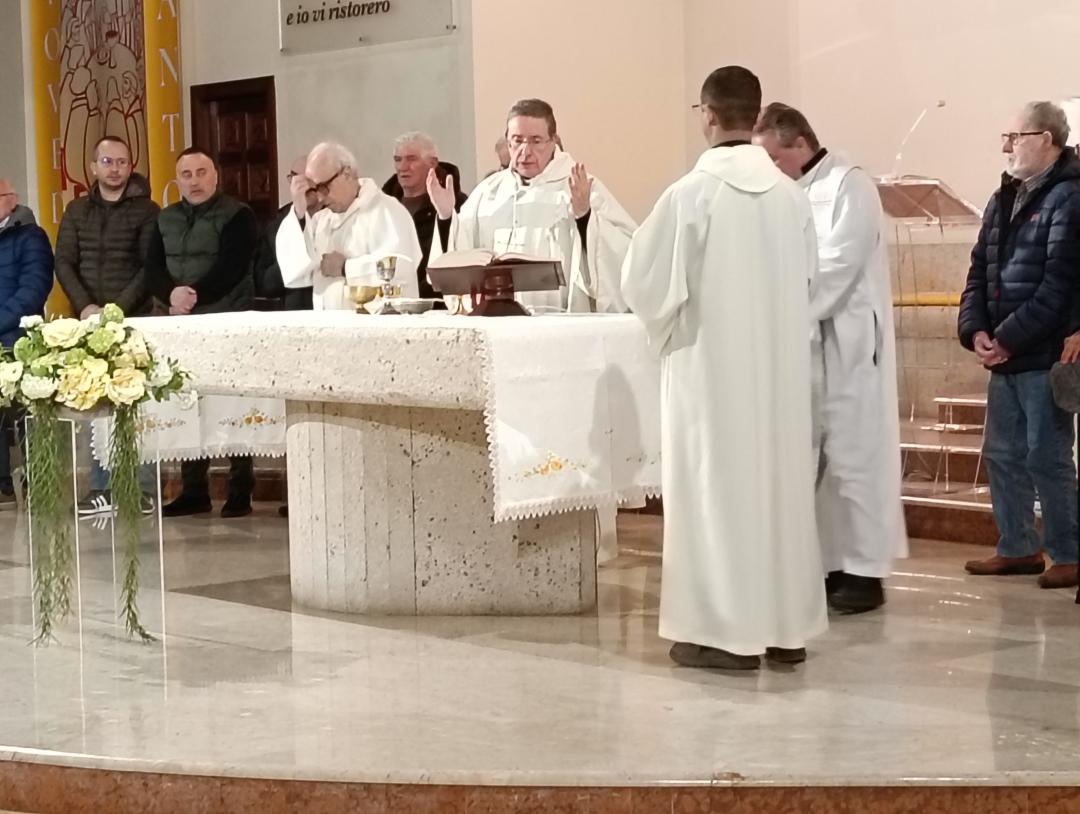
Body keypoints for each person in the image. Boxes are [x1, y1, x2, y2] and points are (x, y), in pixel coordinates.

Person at [620, 66, 826, 670]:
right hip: (779, 377)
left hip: (710, 376)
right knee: (778, 492)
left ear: (707, 115)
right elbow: (810, 281)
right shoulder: (791, 196)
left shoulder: (692, 194)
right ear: (756, 117)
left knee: (716, 494)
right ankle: (785, 630)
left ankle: (723, 636)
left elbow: (644, 283)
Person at [753, 103, 907, 613]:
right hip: (809, 344)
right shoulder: (788, 191)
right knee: (817, 460)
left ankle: (865, 571)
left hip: (850, 345)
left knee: (855, 457)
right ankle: (828, 563)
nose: (770, 168)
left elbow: (842, 261)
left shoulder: (849, 184)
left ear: (799, 143)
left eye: (773, 157)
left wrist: (786, 306)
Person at [958, 101, 1080, 589]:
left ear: (1045, 139)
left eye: (1015, 137)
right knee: (1002, 454)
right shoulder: (1002, 197)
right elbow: (978, 270)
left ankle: (1069, 553)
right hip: (1004, 353)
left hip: (1044, 353)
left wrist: (1006, 338)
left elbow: (1058, 285)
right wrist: (975, 330)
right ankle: (1018, 547)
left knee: (1046, 455)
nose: (1007, 147)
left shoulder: (1069, 197)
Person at [428, 98, 636, 313]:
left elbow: (625, 252)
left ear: (553, 141)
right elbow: (459, 258)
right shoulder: (488, 192)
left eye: (536, 141)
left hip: (560, 320)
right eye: (517, 140)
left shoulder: (580, 185)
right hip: (499, 320)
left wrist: (585, 217)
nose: (525, 151)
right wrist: (446, 217)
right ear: (508, 141)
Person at [146, 147, 259, 519]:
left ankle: (240, 489)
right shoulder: (165, 218)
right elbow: (152, 267)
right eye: (186, 174)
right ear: (177, 180)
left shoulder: (238, 214)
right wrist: (170, 295)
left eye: (201, 172)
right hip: (180, 323)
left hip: (226, 319)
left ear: (215, 176)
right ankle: (194, 490)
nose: (194, 181)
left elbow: (232, 266)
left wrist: (192, 296)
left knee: (233, 405)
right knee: (187, 402)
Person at [54, 135, 161, 515]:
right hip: (87, 322)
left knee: (134, 406)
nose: (114, 169)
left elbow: (149, 267)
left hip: (132, 321)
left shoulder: (147, 210)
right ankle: (101, 488)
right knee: (93, 404)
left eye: (121, 162)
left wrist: (114, 312)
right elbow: (64, 261)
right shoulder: (77, 211)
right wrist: (85, 307)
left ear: (130, 166)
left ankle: (141, 489)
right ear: (93, 167)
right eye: (107, 161)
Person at [276, 141, 422, 310]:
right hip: (330, 323)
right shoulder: (322, 220)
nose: (320, 198)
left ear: (346, 173)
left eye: (323, 187)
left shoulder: (386, 210)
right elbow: (295, 272)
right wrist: (299, 213)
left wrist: (346, 268)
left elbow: (402, 270)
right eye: (315, 189)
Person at [0, 180, 53, 507]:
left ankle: (38, 479)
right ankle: (2, 484)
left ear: (12, 200)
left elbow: (34, 289)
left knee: (27, 413)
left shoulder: (31, 236)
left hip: (19, 337)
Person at [382, 132, 467, 300]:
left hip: (436, 302)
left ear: (432, 163)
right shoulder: (384, 207)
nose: (403, 167)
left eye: (411, 159)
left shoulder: (456, 204)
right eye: (398, 159)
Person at [253, 155, 321, 311]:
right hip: (295, 307)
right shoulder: (279, 223)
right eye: (297, 181)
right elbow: (265, 283)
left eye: (310, 180)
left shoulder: (336, 214)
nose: (305, 188)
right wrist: (292, 259)